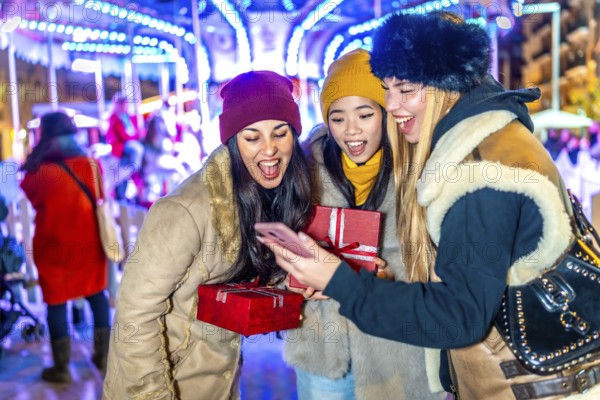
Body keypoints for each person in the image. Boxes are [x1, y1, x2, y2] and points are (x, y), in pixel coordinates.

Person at [261, 12, 600, 399]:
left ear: (445, 85)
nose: (392, 105)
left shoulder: (478, 172)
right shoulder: (484, 145)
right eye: (387, 90)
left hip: (534, 387)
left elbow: (459, 317)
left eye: (405, 90)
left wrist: (338, 280)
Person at [102, 71, 313, 399]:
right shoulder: (184, 210)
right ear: (232, 141)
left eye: (280, 133)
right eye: (252, 137)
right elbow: (134, 317)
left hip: (218, 384)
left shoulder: (263, 196)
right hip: (163, 386)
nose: (269, 150)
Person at [284, 49, 445, 400]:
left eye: (365, 114)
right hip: (325, 351)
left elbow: (443, 266)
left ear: (386, 113)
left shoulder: (418, 169)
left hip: (398, 349)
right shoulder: (303, 170)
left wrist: (387, 280)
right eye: (338, 118)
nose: (351, 130)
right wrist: (294, 280)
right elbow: (273, 248)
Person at [20, 111, 111, 383]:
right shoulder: (92, 165)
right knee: (97, 296)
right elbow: (100, 197)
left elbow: (29, 192)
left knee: (56, 302)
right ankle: (103, 356)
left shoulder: (39, 173)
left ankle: (61, 368)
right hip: (89, 244)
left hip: (53, 246)